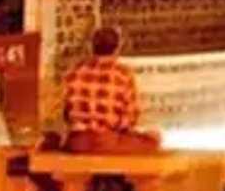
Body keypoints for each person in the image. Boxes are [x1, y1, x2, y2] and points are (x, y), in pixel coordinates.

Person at [63, 25, 161, 155]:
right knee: (153, 139)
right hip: (107, 141)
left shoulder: (75, 71)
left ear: (91, 46)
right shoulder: (123, 74)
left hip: (77, 142)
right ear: (117, 48)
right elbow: (130, 118)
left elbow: (66, 113)